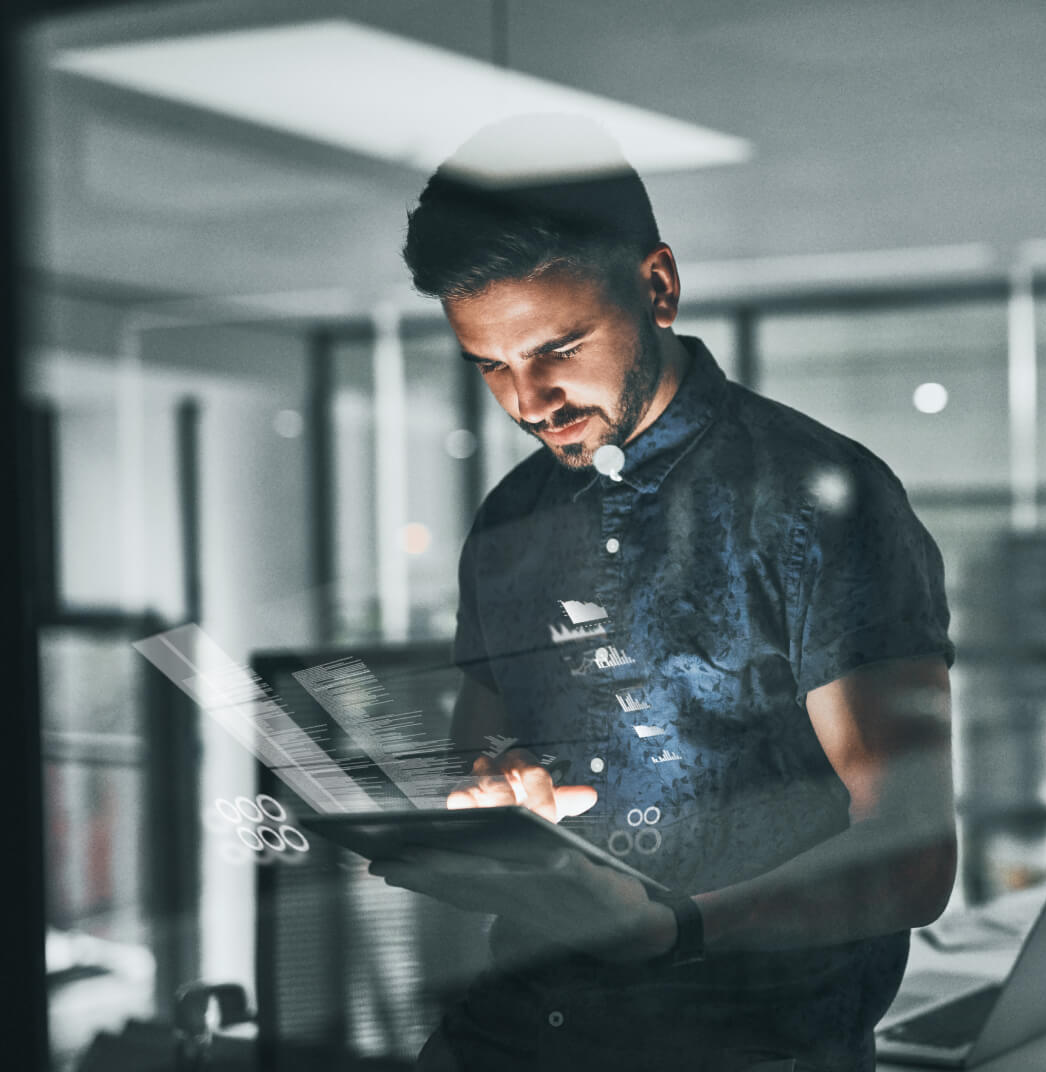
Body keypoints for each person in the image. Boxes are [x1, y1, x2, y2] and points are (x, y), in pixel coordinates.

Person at [372, 116, 958, 1071]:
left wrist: (673, 926)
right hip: (513, 1031)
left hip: (741, 1049)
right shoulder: (512, 518)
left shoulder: (818, 502)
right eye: (491, 365)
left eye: (558, 348)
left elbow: (911, 856)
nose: (528, 401)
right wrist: (491, 783)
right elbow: (475, 742)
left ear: (658, 287)